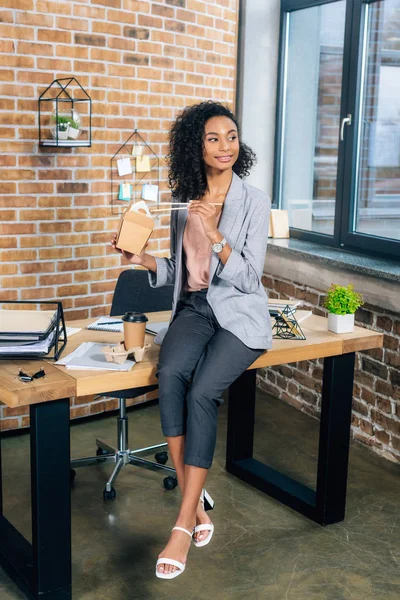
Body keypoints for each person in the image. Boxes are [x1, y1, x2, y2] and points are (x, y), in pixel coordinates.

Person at [111, 101, 272, 580]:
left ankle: (183, 522)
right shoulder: (184, 199)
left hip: (239, 314)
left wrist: (216, 233)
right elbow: (181, 273)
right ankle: (195, 497)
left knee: (204, 390)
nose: (225, 146)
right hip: (196, 309)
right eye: (212, 138)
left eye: (231, 136)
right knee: (171, 375)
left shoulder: (254, 201)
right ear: (195, 148)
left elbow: (248, 278)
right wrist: (141, 261)